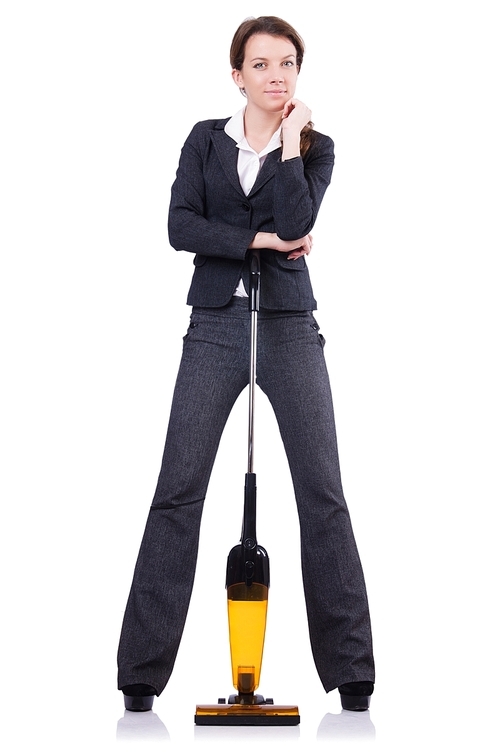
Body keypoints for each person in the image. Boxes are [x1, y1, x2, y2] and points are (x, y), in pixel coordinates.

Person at [117, 15, 375, 714]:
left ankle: (353, 669)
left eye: (287, 63)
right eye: (261, 65)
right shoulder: (205, 140)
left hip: (290, 326)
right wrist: (257, 237)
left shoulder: (317, 149)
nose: (277, 76)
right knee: (178, 487)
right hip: (214, 325)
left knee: (323, 491)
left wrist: (292, 144)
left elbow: (296, 224)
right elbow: (180, 224)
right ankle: (140, 670)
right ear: (238, 75)